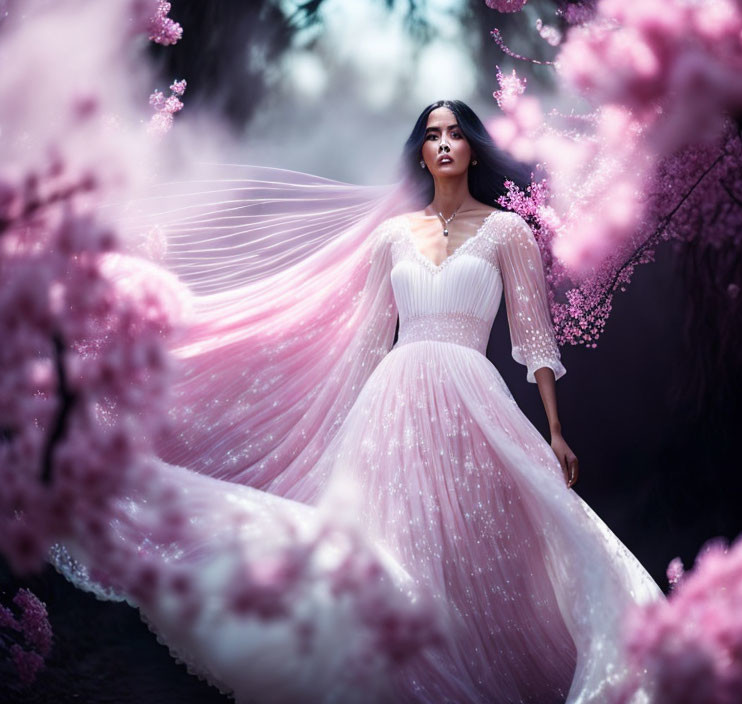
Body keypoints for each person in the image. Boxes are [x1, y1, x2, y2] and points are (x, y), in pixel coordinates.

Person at [52, 99, 663, 703]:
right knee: (393, 539)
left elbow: (534, 341)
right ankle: (405, 664)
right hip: (393, 402)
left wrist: (555, 430)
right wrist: (343, 422)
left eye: (455, 133)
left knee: (486, 540)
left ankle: (506, 665)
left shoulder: (507, 231)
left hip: (474, 399)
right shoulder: (392, 236)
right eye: (433, 135)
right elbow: (371, 340)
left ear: (473, 146)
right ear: (421, 152)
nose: (445, 143)